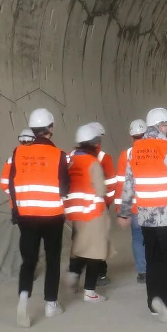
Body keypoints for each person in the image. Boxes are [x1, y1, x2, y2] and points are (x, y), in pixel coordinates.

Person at [117, 107, 167, 322]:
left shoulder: (134, 151)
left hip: (146, 218)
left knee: (153, 259)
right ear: (161, 127)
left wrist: (124, 212)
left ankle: (153, 302)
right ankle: (163, 299)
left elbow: (128, 185)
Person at [2, 108, 71, 327]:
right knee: (52, 259)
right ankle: (51, 305)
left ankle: (23, 297)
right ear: (51, 129)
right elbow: (65, 188)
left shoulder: (16, 152)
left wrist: (22, 201)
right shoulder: (59, 155)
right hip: (52, 216)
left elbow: (6, 184)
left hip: (26, 216)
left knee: (29, 260)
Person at [64, 123, 112, 303]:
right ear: (94, 142)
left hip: (76, 212)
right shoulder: (93, 162)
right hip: (93, 213)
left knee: (79, 245)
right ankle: (90, 291)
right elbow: (100, 189)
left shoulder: (70, 158)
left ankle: (73, 273)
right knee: (94, 252)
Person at [114, 119, 148, 283]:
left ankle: (142, 271)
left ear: (131, 136)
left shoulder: (125, 155)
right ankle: (156, 268)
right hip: (151, 204)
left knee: (137, 237)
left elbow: (121, 183)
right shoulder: (153, 150)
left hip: (134, 206)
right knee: (153, 237)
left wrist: (121, 210)